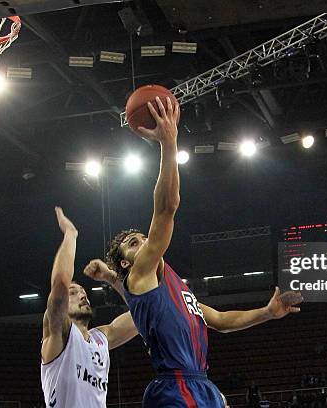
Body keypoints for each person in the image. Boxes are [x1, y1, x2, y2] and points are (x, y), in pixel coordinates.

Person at [84, 96, 303, 407]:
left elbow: (221, 320)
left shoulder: (171, 287)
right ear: (126, 262)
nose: (143, 242)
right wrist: (168, 142)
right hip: (175, 387)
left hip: (201, 383)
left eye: (143, 237)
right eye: (133, 243)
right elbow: (166, 208)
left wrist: (267, 313)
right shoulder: (141, 271)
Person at [40, 207, 139, 407]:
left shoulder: (101, 338)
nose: (83, 294)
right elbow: (60, 282)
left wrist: (113, 279)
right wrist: (71, 234)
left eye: (83, 291)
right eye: (73, 292)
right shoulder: (59, 335)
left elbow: (143, 314)